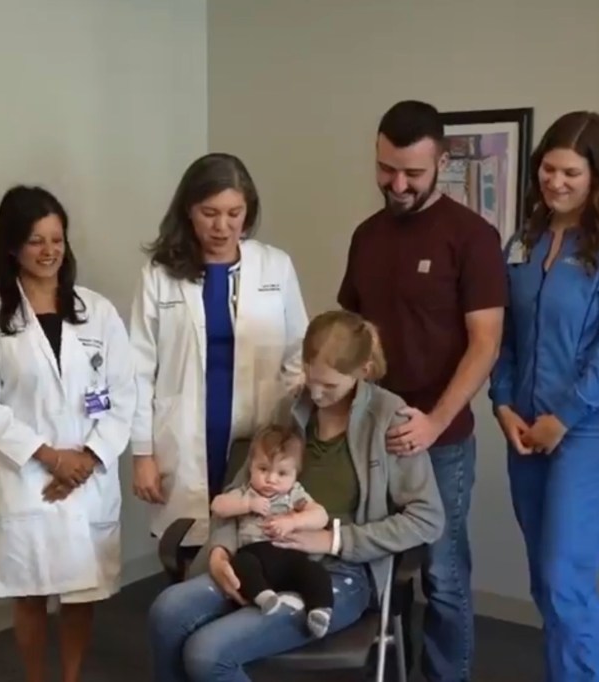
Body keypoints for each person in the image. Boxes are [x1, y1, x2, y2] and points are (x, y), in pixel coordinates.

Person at [148, 310, 445, 681]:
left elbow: (427, 518)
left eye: (330, 386)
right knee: (167, 610)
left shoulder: (390, 418)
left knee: (207, 654)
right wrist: (222, 550)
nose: (316, 394)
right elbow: (240, 489)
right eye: (311, 378)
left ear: (363, 371)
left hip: (339, 573)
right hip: (261, 555)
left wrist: (335, 539)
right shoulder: (290, 408)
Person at [337, 99, 507, 682]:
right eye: (387, 169)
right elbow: (353, 333)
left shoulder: (473, 238)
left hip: (441, 441)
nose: (398, 183)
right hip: (370, 437)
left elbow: (484, 344)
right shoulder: (366, 235)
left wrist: (433, 420)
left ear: (443, 159)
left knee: (443, 573)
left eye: (412, 172)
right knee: (373, 561)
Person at [488, 111, 599, 681]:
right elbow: (507, 334)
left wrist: (563, 418)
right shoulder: (525, 239)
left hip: (591, 436)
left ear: (598, 176)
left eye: (570, 173)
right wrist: (503, 403)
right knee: (545, 580)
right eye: (547, 169)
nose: (555, 183)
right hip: (527, 433)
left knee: (566, 579)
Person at [0, 186, 136, 682]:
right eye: (36, 240)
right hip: (29, 477)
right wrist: (50, 457)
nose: (49, 250)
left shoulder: (97, 311)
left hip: (87, 474)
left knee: (82, 592)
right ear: (13, 247)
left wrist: (86, 458)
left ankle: (71, 677)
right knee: (32, 590)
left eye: (57, 238)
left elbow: (123, 395)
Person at [129, 152, 309, 549]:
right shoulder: (159, 276)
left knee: (251, 546)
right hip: (186, 435)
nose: (222, 226)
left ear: (249, 211)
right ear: (188, 211)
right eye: (209, 213)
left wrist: (296, 429)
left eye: (234, 213)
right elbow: (138, 370)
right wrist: (142, 454)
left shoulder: (275, 267)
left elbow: (299, 353)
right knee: (187, 546)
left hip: (258, 436)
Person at [209, 424, 334, 637]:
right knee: (241, 563)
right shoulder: (246, 492)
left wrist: (294, 521)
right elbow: (217, 506)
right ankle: (264, 597)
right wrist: (247, 505)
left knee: (316, 573)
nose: (271, 479)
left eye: (282, 473)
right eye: (263, 469)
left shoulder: (295, 495)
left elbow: (320, 515)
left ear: (295, 475)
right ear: (251, 467)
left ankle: (320, 611)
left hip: (289, 555)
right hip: (254, 554)